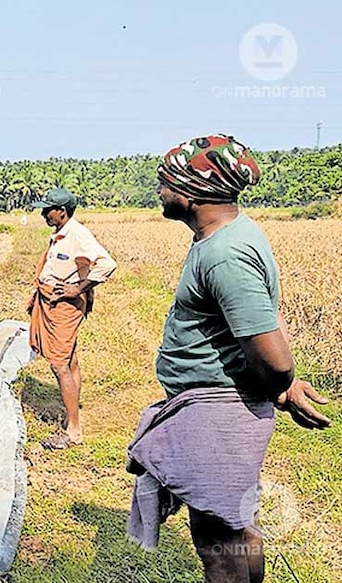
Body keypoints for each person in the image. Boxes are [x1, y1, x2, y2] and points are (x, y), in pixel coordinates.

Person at [126, 135, 331, 583]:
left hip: (217, 411)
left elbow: (274, 359)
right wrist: (282, 384)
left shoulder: (224, 254)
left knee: (218, 541)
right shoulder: (227, 237)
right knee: (237, 529)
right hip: (216, 405)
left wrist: (282, 383)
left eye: (166, 180)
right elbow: (259, 319)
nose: (159, 188)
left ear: (193, 191)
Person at [27, 187, 117, 449]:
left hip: (64, 306)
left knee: (59, 364)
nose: (44, 213)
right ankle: (72, 416)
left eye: (48, 209)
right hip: (50, 301)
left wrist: (78, 289)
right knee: (70, 360)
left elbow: (107, 264)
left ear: (62, 212)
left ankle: (73, 431)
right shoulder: (59, 234)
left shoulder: (78, 234)